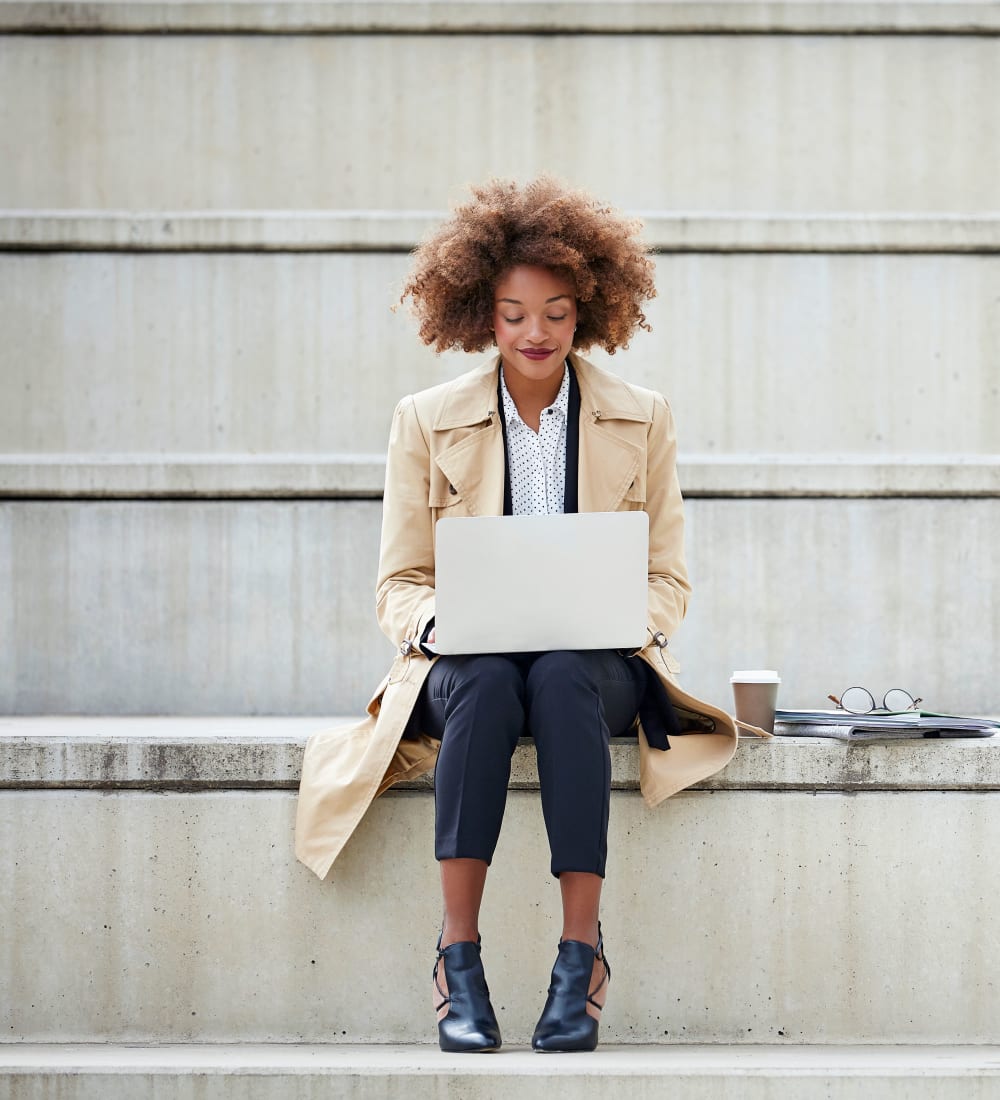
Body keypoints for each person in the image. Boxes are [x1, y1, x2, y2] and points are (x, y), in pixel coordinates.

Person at [295, 177, 757, 1054]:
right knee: (486, 682)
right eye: (512, 315)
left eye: (554, 311)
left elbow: (669, 577)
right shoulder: (425, 422)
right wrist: (441, 622)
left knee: (560, 675)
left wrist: (630, 617)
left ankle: (579, 955)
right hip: (465, 663)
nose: (535, 334)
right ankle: (457, 958)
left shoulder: (642, 416)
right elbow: (399, 581)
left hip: (595, 662)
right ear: (480, 315)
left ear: (590, 308)